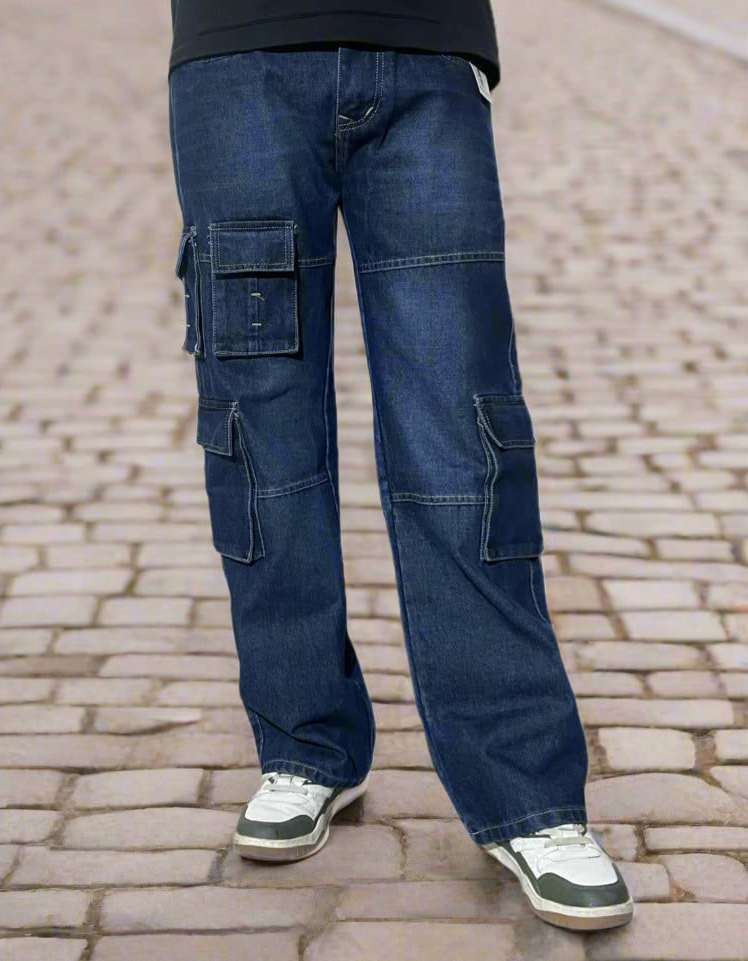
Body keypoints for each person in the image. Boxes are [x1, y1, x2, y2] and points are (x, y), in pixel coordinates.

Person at [167, 0, 634, 933]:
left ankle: (531, 798)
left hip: (427, 48)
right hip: (239, 54)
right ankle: (304, 744)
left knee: (466, 433)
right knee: (261, 431)